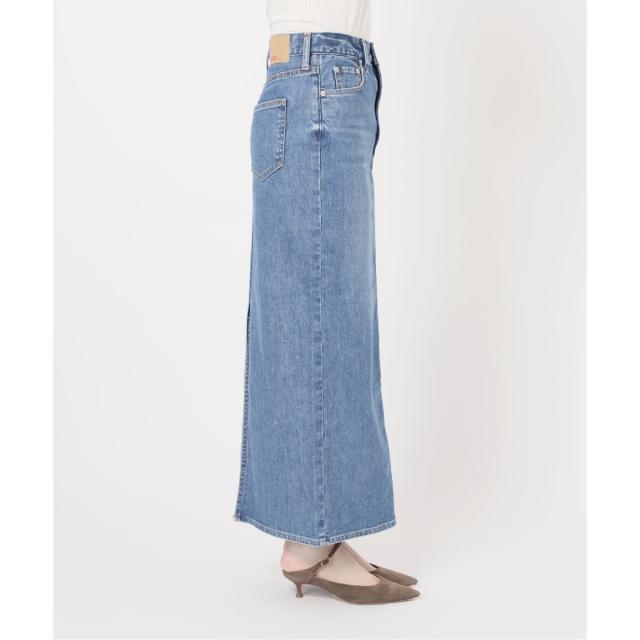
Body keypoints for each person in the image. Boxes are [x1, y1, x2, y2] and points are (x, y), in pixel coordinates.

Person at [234, 0, 419, 604]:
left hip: (325, 79)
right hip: (320, 80)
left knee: (324, 314)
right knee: (319, 318)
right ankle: (311, 543)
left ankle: (322, 534)